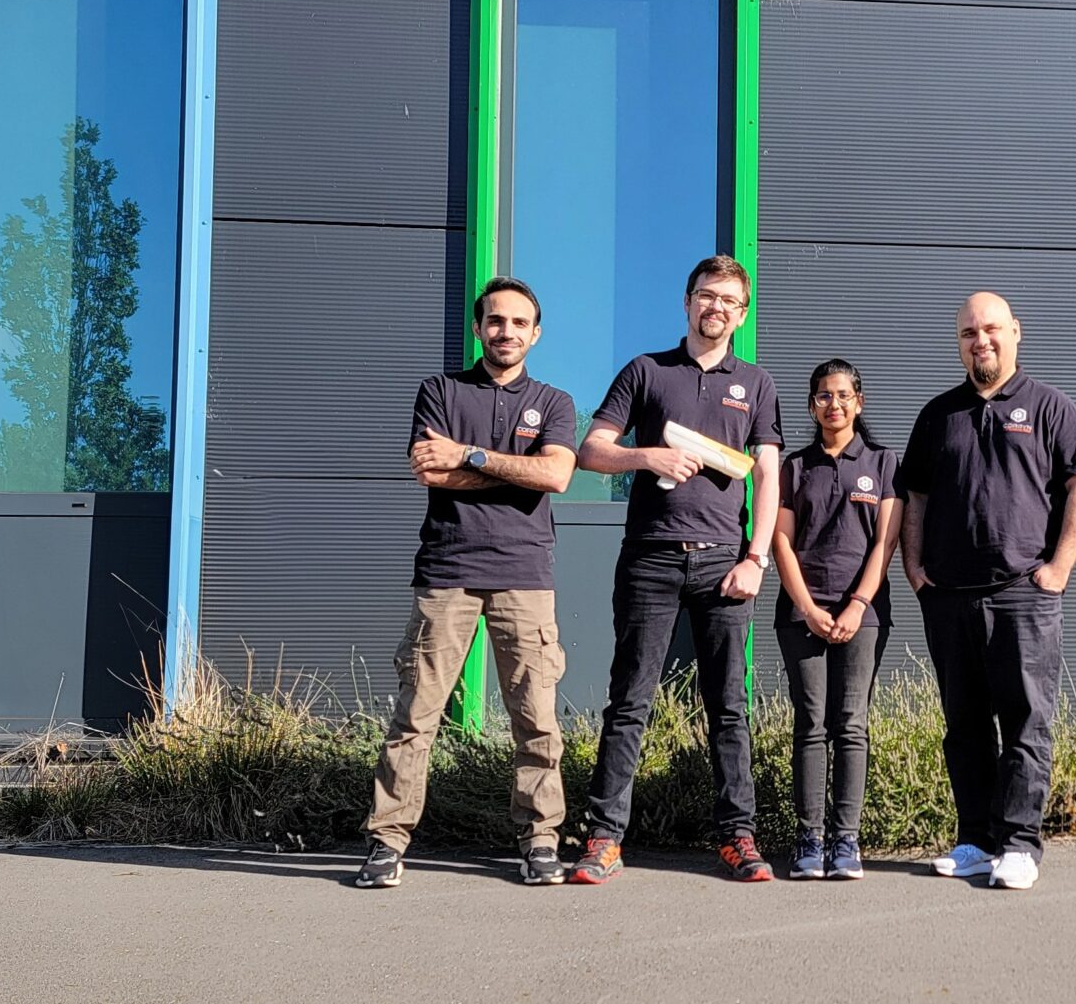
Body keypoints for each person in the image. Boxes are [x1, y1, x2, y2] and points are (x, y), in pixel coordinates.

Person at [355, 277, 578, 889]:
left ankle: (540, 840)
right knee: (415, 716)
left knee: (536, 720)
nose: (506, 331)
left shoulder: (554, 402)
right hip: (447, 573)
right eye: (495, 320)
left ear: (536, 333)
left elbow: (556, 476)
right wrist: (515, 472)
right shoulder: (441, 390)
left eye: (519, 323)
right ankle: (387, 841)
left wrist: (470, 455)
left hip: (525, 576)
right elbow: (430, 470)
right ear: (479, 328)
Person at [569, 254, 784, 884]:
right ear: (687, 302)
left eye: (729, 301)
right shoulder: (646, 370)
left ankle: (737, 837)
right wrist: (648, 456)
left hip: (725, 565)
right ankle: (604, 838)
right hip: (650, 558)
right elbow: (591, 450)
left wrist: (757, 557)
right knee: (629, 701)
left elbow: (768, 476)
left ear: (742, 315)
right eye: (707, 295)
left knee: (728, 707)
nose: (716, 307)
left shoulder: (757, 384)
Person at [899, 292, 1076, 891]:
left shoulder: (1050, 406)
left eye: (990, 329)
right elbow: (915, 497)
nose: (980, 341)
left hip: (1023, 594)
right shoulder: (938, 415)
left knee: (1024, 722)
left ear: (1015, 332)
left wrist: (1060, 567)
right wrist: (914, 569)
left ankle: (1018, 845)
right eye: (968, 333)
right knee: (964, 726)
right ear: (958, 343)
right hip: (950, 597)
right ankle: (976, 842)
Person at [771, 359, 903, 880]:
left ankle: (846, 840)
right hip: (801, 613)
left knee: (851, 724)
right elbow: (781, 541)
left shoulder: (883, 462)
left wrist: (857, 604)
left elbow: (886, 542)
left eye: (844, 395)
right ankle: (809, 838)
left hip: (862, 616)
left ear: (859, 402)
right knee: (810, 724)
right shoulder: (794, 467)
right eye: (824, 396)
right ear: (812, 406)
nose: (834, 404)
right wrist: (808, 608)